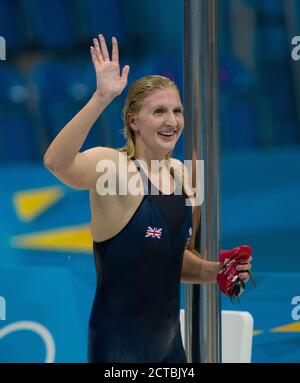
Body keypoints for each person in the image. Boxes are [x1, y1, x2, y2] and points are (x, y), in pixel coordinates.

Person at [43, 34, 252, 363]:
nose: (172, 121)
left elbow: (175, 260)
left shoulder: (185, 176)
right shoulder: (113, 167)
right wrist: (101, 97)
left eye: (177, 111)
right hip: (118, 351)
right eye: (159, 112)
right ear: (133, 121)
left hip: (171, 352)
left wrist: (217, 270)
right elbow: (57, 162)